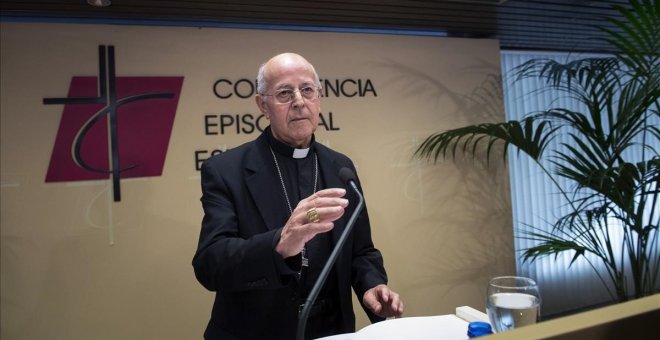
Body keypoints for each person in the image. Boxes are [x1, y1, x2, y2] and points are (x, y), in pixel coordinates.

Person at [192, 52, 403, 339]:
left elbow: (361, 251)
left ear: (319, 97)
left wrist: (371, 285)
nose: (299, 101)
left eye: (307, 90)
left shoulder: (339, 166)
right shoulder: (226, 170)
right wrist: (279, 244)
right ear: (262, 105)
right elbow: (210, 264)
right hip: (258, 331)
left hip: (332, 329)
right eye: (284, 93)